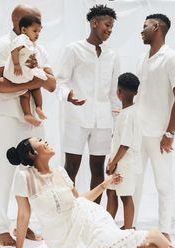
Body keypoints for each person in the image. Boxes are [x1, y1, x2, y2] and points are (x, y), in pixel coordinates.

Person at [0, 137, 175, 248]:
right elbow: (23, 214)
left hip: (85, 218)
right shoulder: (24, 176)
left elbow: (78, 201)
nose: (46, 141)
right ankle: (153, 242)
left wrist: (104, 185)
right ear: (33, 154)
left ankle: (152, 237)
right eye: (41, 141)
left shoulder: (60, 171)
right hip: (61, 239)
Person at [0, 4, 56, 246]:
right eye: (34, 21)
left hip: (34, 121)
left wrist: (37, 72)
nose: (38, 27)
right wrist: (29, 84)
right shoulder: (1, 47)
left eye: (39, 22)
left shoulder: (39, 48)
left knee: (35, 173)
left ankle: (23, 226)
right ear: (18, 22)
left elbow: (51, 84)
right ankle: (0, 228)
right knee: (6, 172)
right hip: (8, 118)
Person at [56, 4, 120, 204]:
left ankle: (93, 216)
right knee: (70, 169)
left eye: (112, 27)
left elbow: (114, 93)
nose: (109, 30)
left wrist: (116, 124)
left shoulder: (112, 56)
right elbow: (61, 81)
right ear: (94, 23)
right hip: (77, 117)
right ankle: (67, 216)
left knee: (98, 169)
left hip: (103, 121)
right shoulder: (74, 49)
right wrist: (69, 96)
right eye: (107, 25)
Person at [134, 14, 175, 240]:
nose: (141, 30)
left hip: (160, 134)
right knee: (133, 182)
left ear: (156, 27)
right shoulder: (142, 58)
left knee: (163, 184)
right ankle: (130, 229)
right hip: (138, 131)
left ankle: (164, 231)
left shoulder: (172, 58)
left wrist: (170, 132)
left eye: (145, 26)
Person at [106, 73, 141, 230]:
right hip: (119, 160)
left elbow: (125, 144)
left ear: (118, 92)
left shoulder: (128, 115)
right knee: (111, 193)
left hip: (125, 163)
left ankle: (128, 229)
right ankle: (106, 227)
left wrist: (113, 162)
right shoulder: (128, 112)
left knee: (126, 196)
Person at [3, 15, 47, 127]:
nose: (37, 34)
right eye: (35, 31)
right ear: (23, 30)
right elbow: (14, 50)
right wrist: (17, 64)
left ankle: (29, 113)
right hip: (16, 71)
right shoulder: (21, 38)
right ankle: (38, 107)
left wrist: (35, 63)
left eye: (39, 31)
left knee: (25, 94)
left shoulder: (31, 43)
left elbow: (30, 57)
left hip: (22, 74)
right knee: (36, 87)